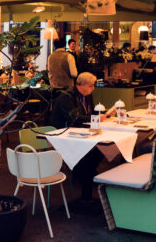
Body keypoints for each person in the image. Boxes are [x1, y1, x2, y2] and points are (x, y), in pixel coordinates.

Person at [50, 72, 116, 205]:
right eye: (91, 85)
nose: (93, 88)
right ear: (81, 85)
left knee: (102, 147)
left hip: (80, 130)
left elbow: (89, 113)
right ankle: (86, 175)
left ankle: (87, 173)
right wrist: (95, 118)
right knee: (90, 153)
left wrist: (105, 114)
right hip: (63, 133)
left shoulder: (87, 96)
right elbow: (74, 118)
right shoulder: (66, 97)